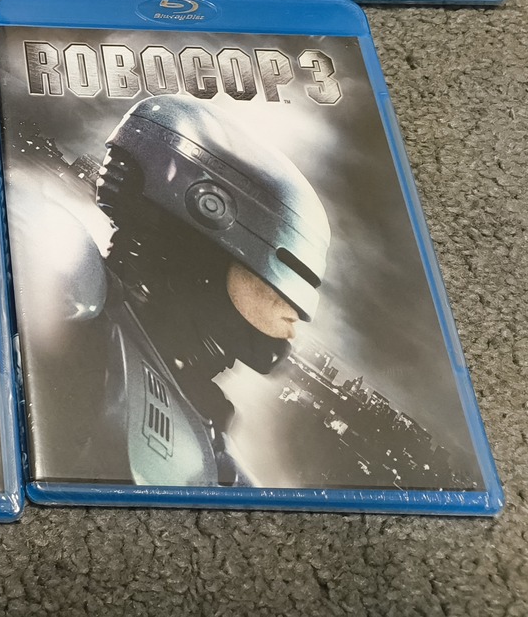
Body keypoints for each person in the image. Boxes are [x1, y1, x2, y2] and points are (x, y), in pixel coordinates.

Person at [25, 96, 330, 485]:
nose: (294, 315)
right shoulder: (65, 285)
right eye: (284, 278)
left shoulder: (211, 440)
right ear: (210, 237)